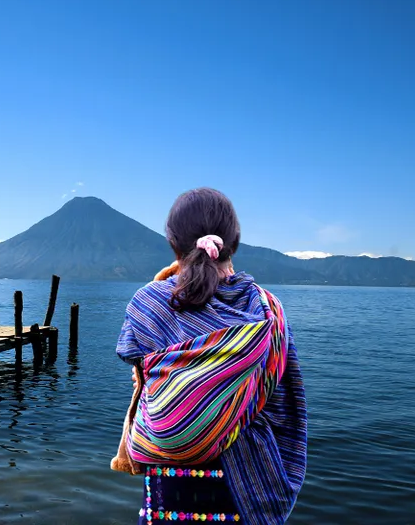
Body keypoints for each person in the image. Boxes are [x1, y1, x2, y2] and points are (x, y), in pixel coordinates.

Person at [116, 187, 307, 524]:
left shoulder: (150, 302)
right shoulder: (269, 310)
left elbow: (138, 362)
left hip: (169, 484)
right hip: (247, 484)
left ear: (174, 243)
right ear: (232, 242)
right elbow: (285, 400)